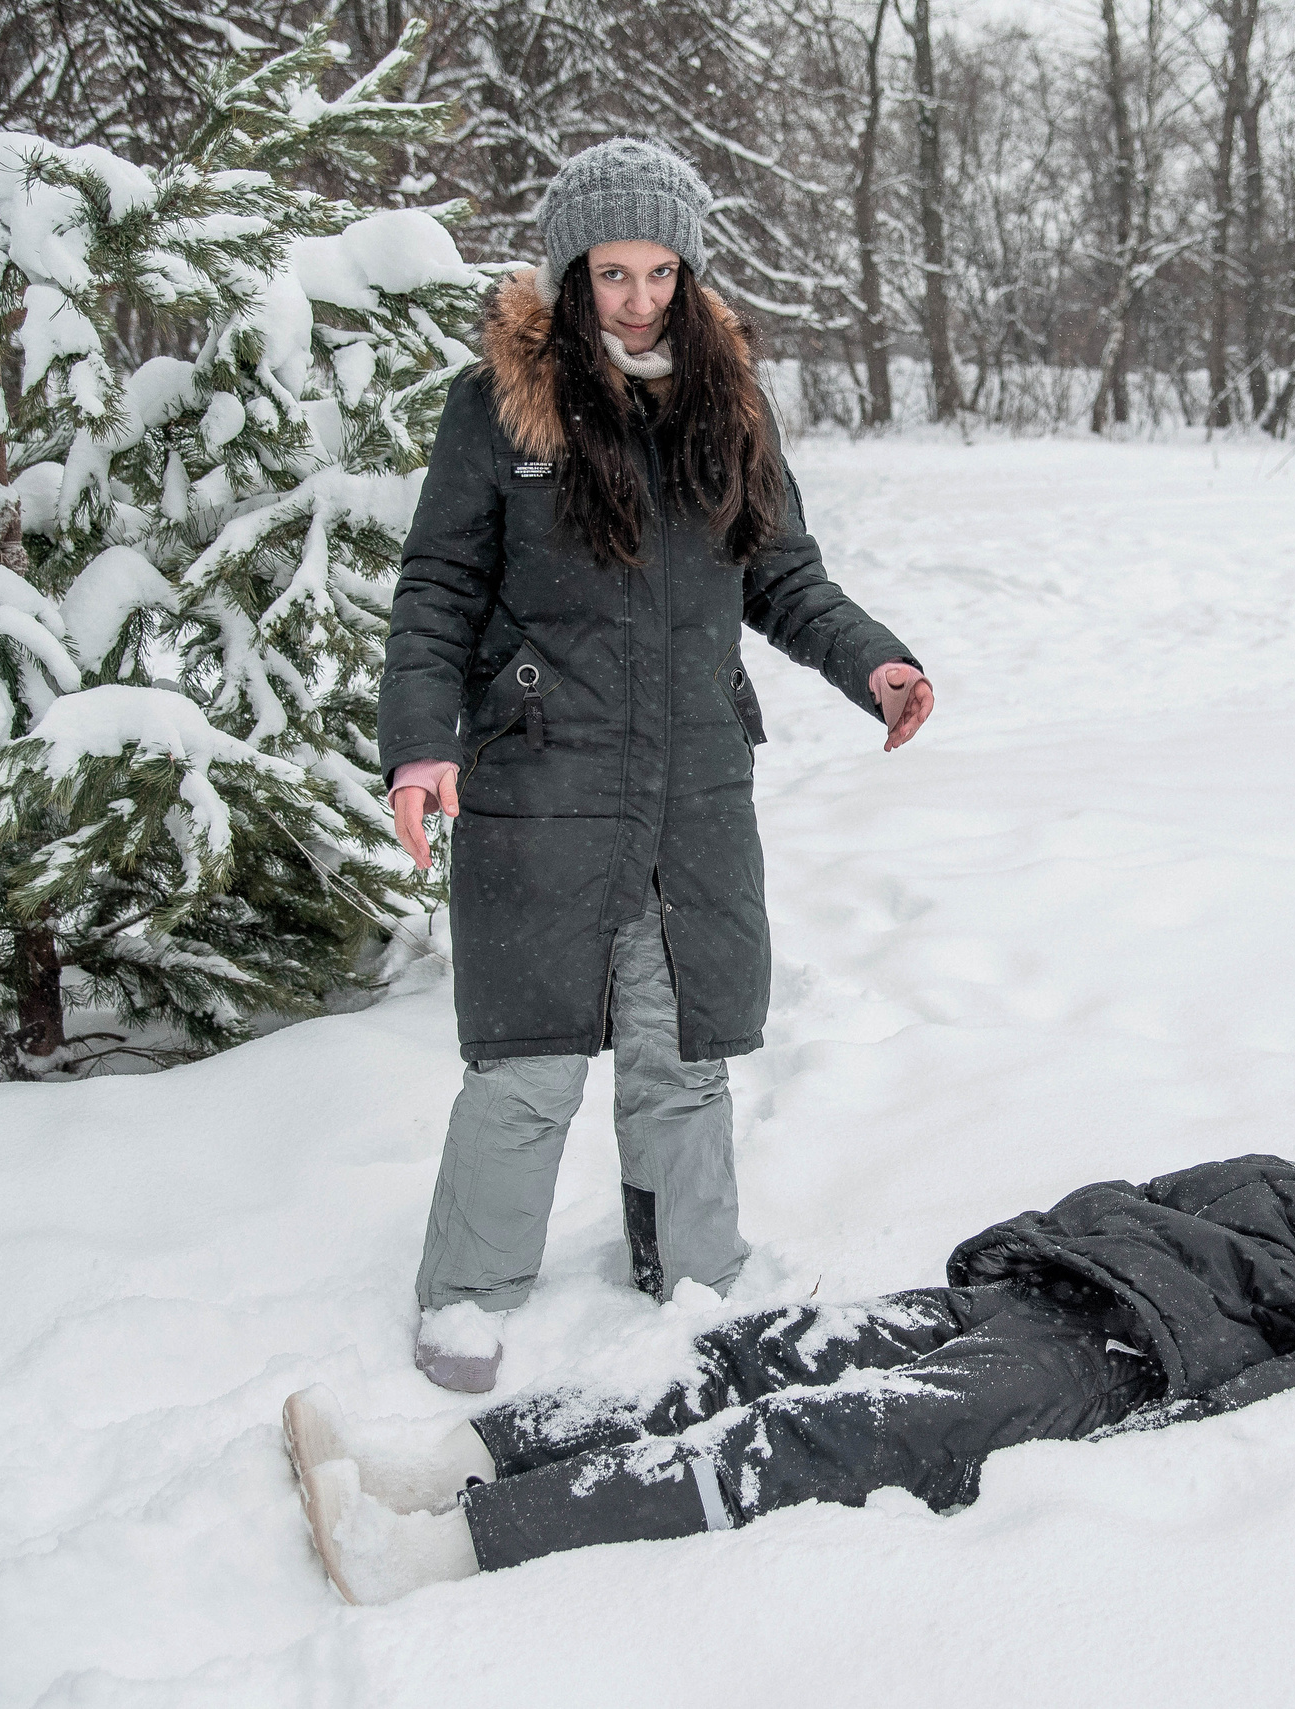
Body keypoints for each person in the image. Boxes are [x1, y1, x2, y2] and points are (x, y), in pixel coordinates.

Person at [282, 1055, 1295, 1603]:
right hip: (1031, 1290)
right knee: (751, 1349)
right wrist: (1025, 1242)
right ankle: (447, 1458)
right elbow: (1132, 1198)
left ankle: (445, 1550)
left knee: (812, 1434)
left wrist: (1174, 1425)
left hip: (1103, 1362)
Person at [378, 138, 935, 1392]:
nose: (637, 298)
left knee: (681, 1048)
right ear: (572, 274)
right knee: (523, 1062)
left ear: (688, 271)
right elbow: (438, 589)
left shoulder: (727, 404)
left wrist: (877, 666)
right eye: (612, 272)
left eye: (660, 271)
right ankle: (466, 1298)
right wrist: (421, 740)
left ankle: (691, 1271)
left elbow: (782, 575)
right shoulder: (497, 408)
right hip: (540, 782)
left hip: (691, 786)